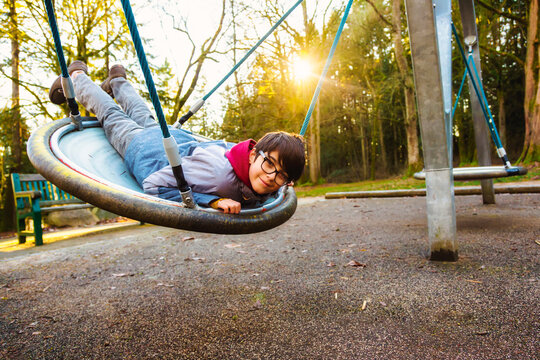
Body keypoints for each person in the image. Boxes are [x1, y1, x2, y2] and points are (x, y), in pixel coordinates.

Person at [49, 61, 305, 214]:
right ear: (253, 155)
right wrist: (213, 201)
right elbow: (155, 185)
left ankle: (117, 80)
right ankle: (77, 77)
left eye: (282, 175)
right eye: (270, 163)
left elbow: (263, 181)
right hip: (144, 152)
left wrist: (282, 184)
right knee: (110, 113)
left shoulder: (239, 153)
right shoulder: (218, 175)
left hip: (167, 137)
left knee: (141, 111)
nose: (272, 176)